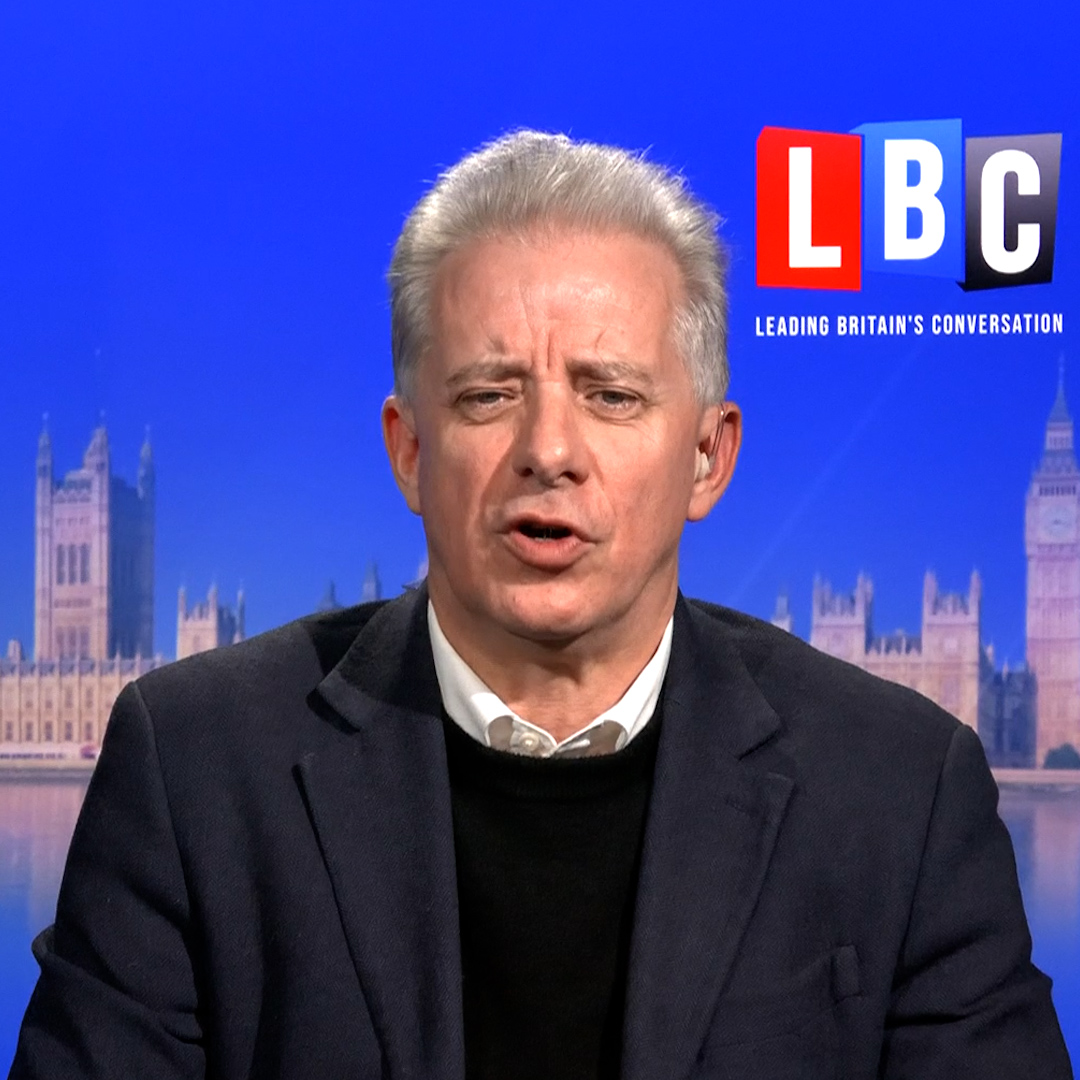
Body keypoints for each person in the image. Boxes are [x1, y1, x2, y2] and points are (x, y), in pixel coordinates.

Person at [9, 131, 1072, 1080]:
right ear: (409, 452)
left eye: (611, 395)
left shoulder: (901, 791)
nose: (549, 450)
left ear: (708, 457)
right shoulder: (194, 769)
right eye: (489, 394)